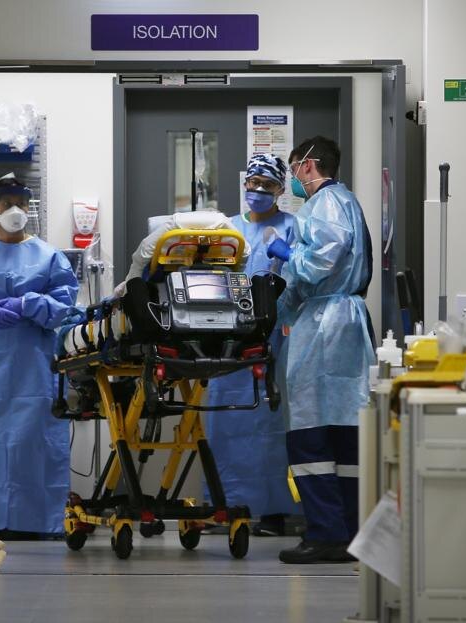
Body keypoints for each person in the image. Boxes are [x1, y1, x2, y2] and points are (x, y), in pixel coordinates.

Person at [266, 137, 374, 563]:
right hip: (344, 322)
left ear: (308, 165)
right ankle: (349, 533)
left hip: (324, 325)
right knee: (345, 432)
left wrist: (287, 254)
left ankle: (326, 534)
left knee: (310, 433)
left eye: (294, 168)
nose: (293, 177)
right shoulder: (346, 201)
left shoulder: (325, 203)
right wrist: (280, 308)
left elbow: (320, 261)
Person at [0, 173, 79, 538]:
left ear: (30, 209)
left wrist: (30, 303)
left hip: (33, 369)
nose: (14, 210)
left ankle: (36, 522)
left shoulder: (49, 257)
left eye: (21, 204)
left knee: (32, 446)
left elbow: (64, 308)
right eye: (6, 203)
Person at [204, 154, 300, 536]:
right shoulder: (227, 230)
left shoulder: (292, 228)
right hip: (227, 342)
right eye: (253, 182)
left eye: (267, 185)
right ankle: (223, 506)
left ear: (280, 190)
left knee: (269, 427)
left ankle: (274, 511)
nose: (258, 190)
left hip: (273, 340)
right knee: (224, 424)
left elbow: (299, 279)